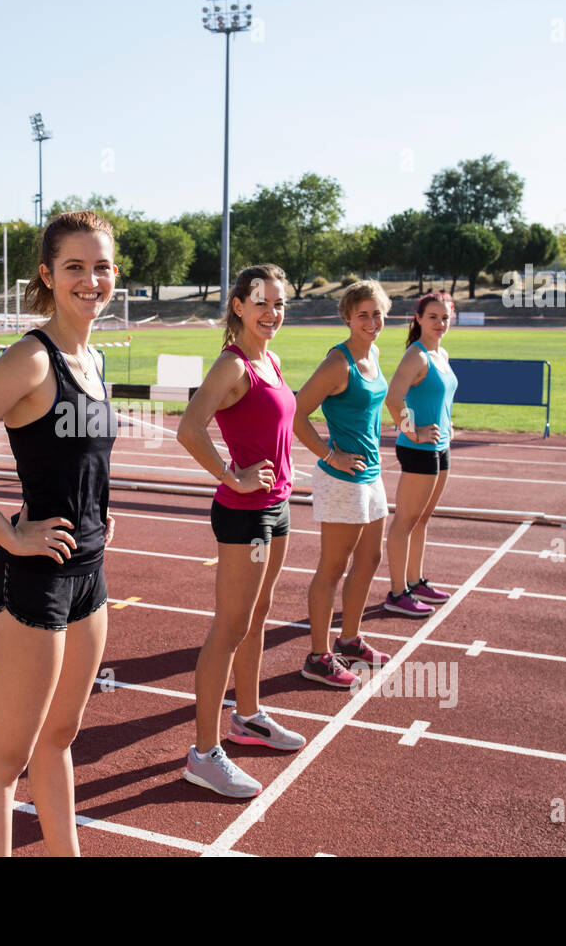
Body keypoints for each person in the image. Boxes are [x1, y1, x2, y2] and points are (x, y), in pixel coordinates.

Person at [0, 210, 118, 857]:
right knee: (3, 763)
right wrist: (9, 536)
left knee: (60, 739)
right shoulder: (31, 360)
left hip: (89, 577)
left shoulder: (93, 358)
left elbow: (84, 462)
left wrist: (100, 513)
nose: (90, 280)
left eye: (101, 266)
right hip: (33, 580)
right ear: (48, 274)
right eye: (75, 267)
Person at [177, 264, 304, 799]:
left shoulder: (269, 358)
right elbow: (188, 427)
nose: (271, 313)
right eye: (261, 303)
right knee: (229, 628)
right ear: (238, 306)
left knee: (258, 618)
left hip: (278, 508)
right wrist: (233, 474)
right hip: (245, 513)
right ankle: (203, 754)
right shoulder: (233, 365)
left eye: (278, 304)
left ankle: (247, 718)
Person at [292, 280, 394, 688]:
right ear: (348, 318)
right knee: (332, 568)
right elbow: (297, 414)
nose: (372, 321)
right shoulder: (339, 362)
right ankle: (318, 657)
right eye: (363, 314)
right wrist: (330, 454)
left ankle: (350, 639)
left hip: (371, 476)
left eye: (378, 314)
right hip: (342, 479)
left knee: (369, 560)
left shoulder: (375, 353)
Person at [384, 291, 458, 616]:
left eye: (445, 317)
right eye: (433, 317)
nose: (440, 323)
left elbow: (441, 398)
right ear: (418, 318)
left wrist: (448, 423)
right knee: (405, 520)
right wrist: (413, 431)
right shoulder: (416, 356)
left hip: (440, 447)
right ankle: (397, 592)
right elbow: (393, 399)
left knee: (423, 519)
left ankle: (415, 582)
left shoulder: (441, 353)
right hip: (418, 448)